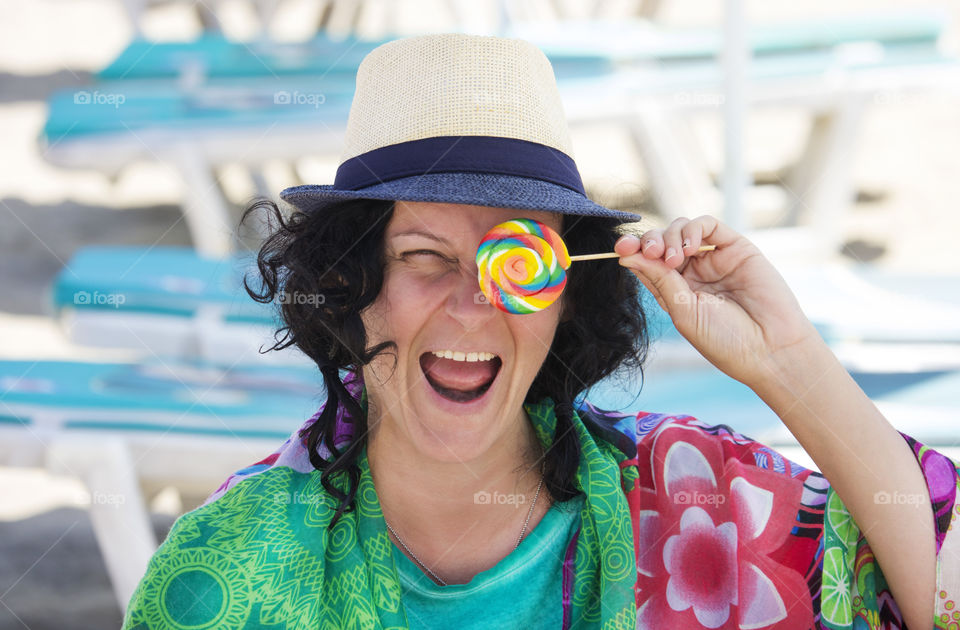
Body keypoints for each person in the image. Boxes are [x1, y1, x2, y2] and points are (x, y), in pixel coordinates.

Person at [122, 33, 959, 630]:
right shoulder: (229, 562)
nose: (472, 305)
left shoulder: (694, 497)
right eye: (424, 256)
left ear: (565, 297)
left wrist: (790, 362)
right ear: (349, 285)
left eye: (513, 261)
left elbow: (938, 595)